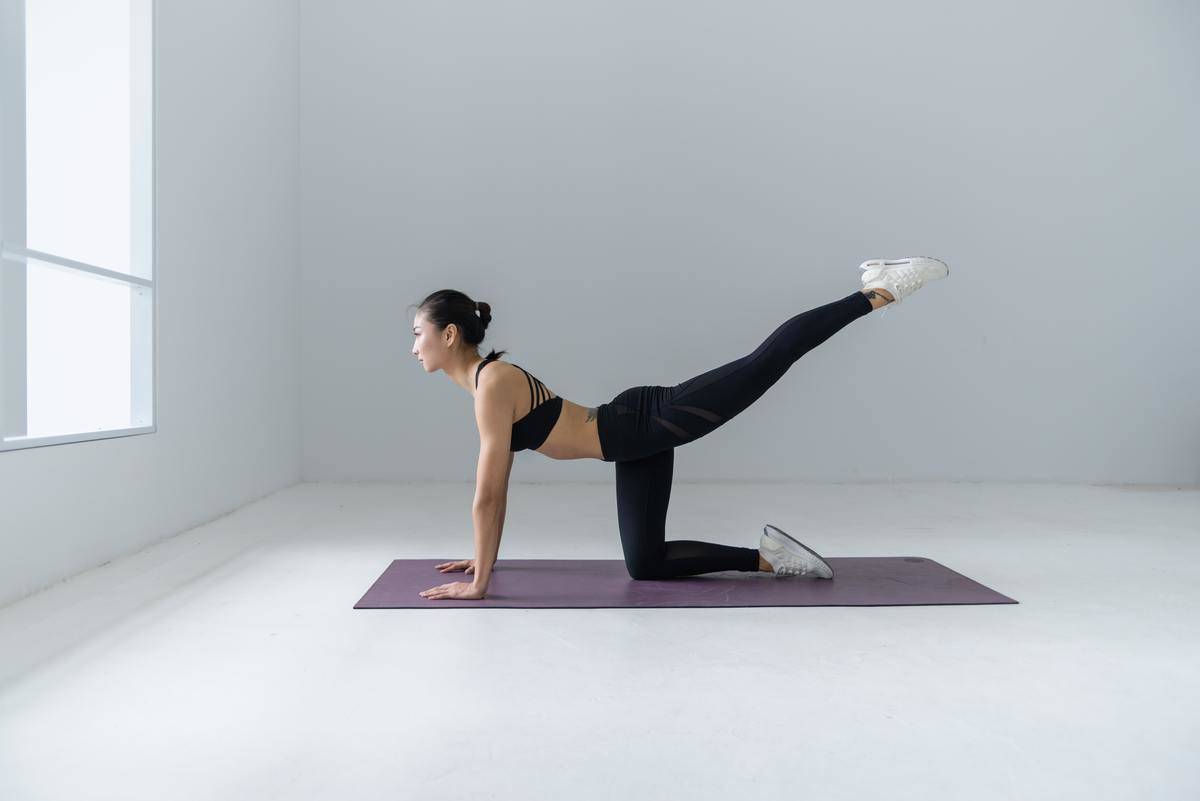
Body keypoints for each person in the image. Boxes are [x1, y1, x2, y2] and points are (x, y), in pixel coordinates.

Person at [414, 257, 950, 600]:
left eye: (420, 334)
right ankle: (773, 558)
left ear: (451, 334)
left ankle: (879, 290)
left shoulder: (493, 383)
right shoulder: (486, 384)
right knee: (645, 565)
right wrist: (482, 559)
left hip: (644, 421)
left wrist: (480, 582)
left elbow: (490, 495)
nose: (414, 345)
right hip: (631, 443)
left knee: (766, 360)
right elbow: (491, 496)